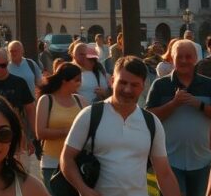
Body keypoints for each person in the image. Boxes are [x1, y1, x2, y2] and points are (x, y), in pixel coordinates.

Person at [61, 57, 180, 196]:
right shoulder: (89, 115)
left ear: (143, 86)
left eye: (134, 85)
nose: (127, 89)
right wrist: (84, 189)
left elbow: (164, 173)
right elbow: (66, 158)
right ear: (112, 81)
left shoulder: (151, 122)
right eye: (122, 82)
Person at [146, 40, 211, 196]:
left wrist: (200, 105)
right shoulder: (160, 85)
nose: (184, 61)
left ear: (196, 58)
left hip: (202, 161)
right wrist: (173, 104)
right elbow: (149, 119)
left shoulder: (208, 85)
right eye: (180, 57)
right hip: (169, 162)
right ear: (172, 58)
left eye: (188, 56)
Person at [35, 63, 88, 192]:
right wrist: (68, 131)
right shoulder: (46, 100)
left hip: (76, 164)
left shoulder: (81, 101)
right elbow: (40, 132)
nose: (79, 84)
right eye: (76, 80)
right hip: (51, 164)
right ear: (64, 80)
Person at [0, 49, 36, 156]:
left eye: (3, 65)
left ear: (8, 63)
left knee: (17, 169)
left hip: (16, 135)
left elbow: (30, 110)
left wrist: (34, 137)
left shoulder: (19, 83)